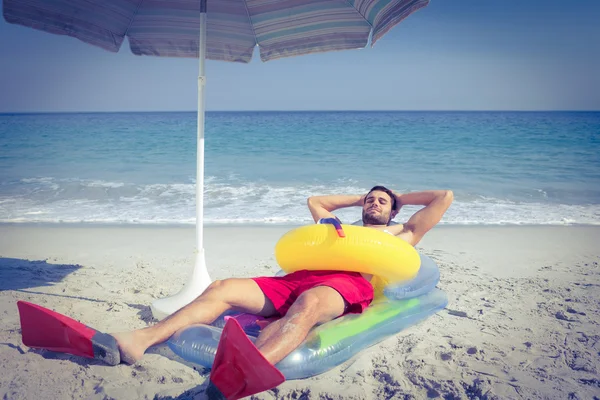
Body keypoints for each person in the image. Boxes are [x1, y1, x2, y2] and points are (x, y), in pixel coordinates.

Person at [112, 186, 453, 368]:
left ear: (393, 210)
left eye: (380, 202)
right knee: (222, 287)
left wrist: (396, 199)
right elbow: (315, 200)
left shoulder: (398, 233)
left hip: (345, 285)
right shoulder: (340, 229)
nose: (374, 204)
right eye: (370, 201)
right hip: (298, 278)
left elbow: (443, 197)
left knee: (309, 303)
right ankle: (141, 340)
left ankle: (252, 366)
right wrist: (360, 199)